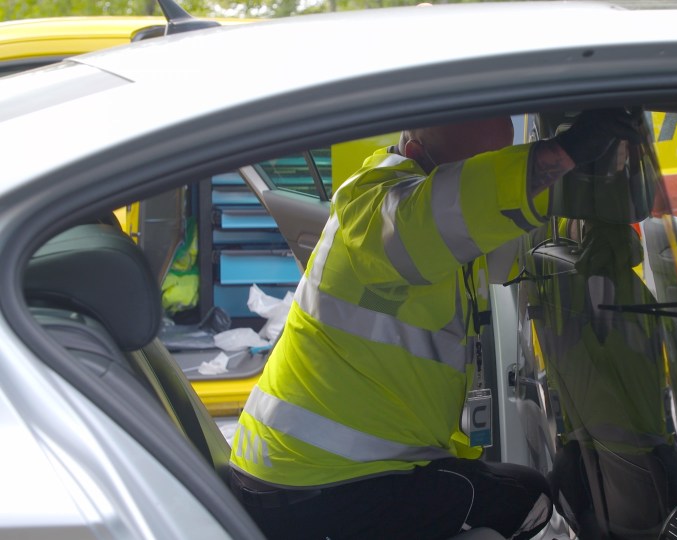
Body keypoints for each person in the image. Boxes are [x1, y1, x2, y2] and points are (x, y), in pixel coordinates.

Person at [228, 109, 639, 540]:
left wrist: (592, 211)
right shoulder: (374, 210)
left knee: (525, 487)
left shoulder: (451, 239)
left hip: (336, 471)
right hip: (308, 486)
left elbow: (503, 228)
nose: (486, 178)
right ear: (413, 153)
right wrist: (561, 153)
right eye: (470, 171)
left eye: (501, 161)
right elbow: (456, 206)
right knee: (528, 506)